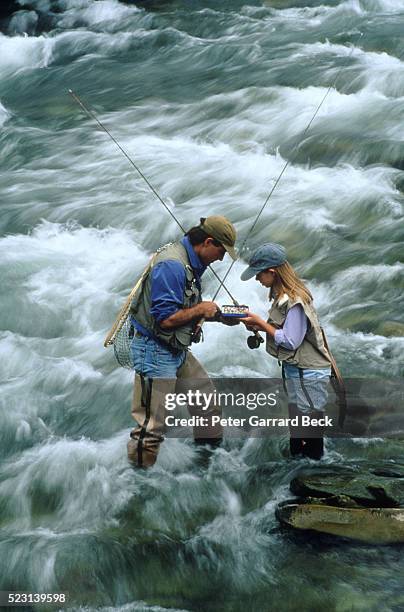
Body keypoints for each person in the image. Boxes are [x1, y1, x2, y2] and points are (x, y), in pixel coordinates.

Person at [127, 215, 238, 468]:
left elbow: (183, 309)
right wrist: (201, 310)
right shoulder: (172, 265)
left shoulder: (191, 261)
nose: (221, 259)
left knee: (207, 407)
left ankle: (207, 467)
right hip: (154, 351)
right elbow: (165, 320)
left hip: (175, 349)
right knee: (151, 428)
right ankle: (138, 484)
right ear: (208, 242)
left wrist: (221, 317)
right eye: (221, 252)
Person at [240, 243, 331, 460]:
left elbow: (291, 341)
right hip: (297, 371)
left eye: (258, 274)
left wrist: (261, 324)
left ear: (272, 272)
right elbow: (285, 332)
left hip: (308, 374)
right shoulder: (283, 297)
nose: (256, 280)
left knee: (309, 431)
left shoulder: (295, 301)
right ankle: (301, 475)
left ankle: (314, 478)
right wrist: (259, 326)